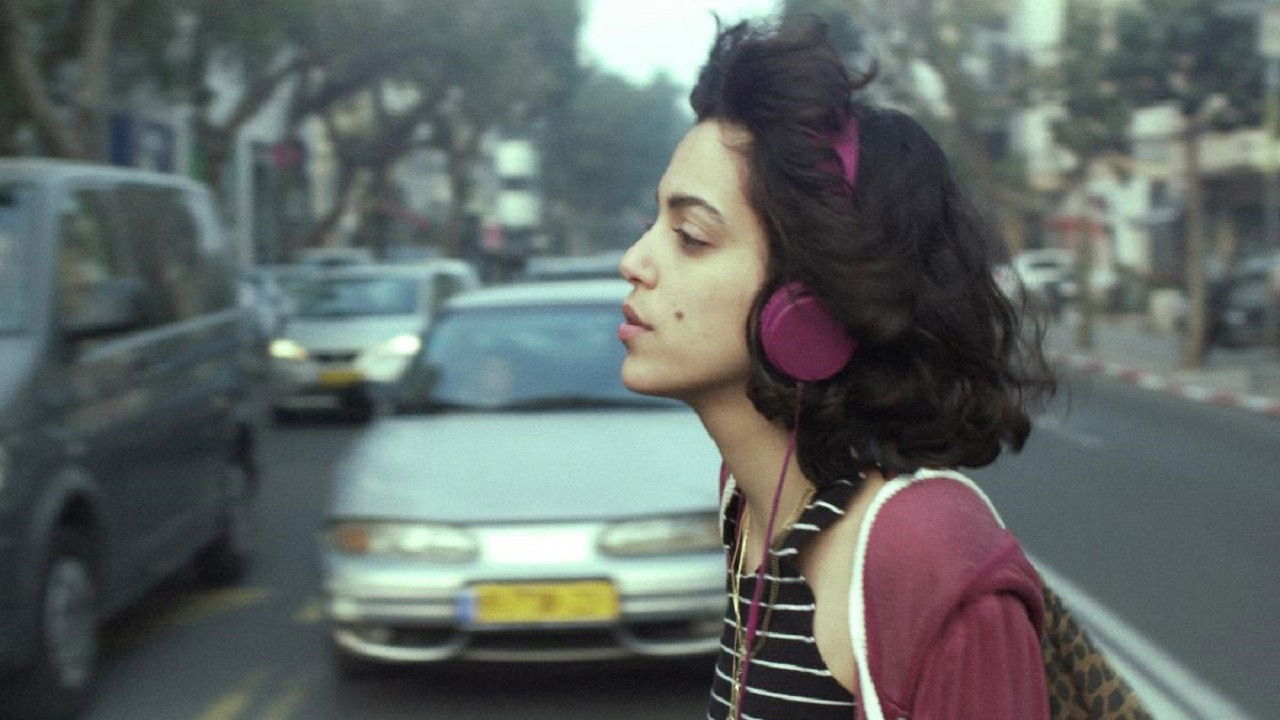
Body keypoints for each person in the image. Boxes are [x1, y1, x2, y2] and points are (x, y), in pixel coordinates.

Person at [617, 17, 1056, 720]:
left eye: (691, 236)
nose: (634, 262)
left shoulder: (926, 558)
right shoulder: (749, 507)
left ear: (807, 305)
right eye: (653, 226)